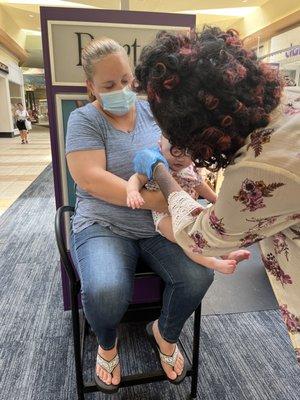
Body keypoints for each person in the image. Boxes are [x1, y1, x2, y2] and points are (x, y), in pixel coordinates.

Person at [133, 27, 300, 363]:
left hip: (193, 228)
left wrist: (160, 173)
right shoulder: (288, 101)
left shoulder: (259, 168)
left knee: (198, 268)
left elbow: (202, 237)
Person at [65, 37, 214, 394]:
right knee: (104, 290)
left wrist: (198, 184)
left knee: (198, 275)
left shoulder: (154, 112)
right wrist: (165, 200)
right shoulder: (84, 120)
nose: (121, 90)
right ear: (91, 87)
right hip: (104, 223)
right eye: (108, 85)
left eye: (126, 80)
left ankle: (164, 332)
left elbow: (181, 156)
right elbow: (90, 179)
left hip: (157, 227)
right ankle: (107, 344)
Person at [127, 135, 251, 273]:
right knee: (188, 240)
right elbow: (136, 178)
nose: (181, 158)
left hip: (189, 209)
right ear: (160, 146)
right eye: (175, 151)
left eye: (188, 153)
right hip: (164, 216)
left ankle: (226, 254)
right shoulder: (156, 163)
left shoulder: (189, 169)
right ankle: (214, 263)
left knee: (208, 227)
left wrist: (216, 201)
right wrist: (133, 192)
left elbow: (200, 186)